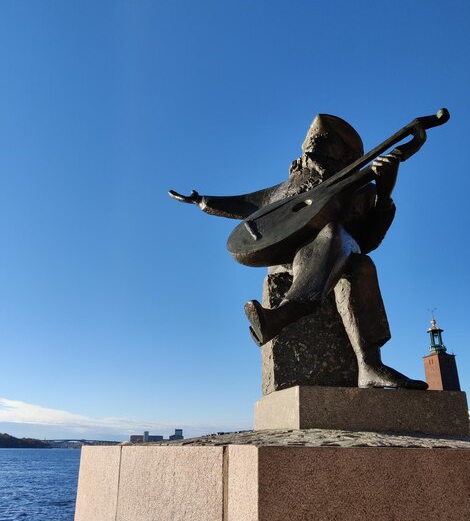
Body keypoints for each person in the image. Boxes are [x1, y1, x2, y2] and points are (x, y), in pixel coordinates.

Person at [169, 114, 428, 389]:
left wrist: (384, 195)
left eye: (323, 140)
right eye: (312, 138)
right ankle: (283, 315)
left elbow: (370, 241)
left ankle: (368, 366)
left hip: (339, 254)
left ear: (341, 152)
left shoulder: (362, 189)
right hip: (290, 260)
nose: (312, 143)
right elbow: (245, 204)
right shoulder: (288, 187)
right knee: (335, 236)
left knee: (359, 263)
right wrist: (201, 201)